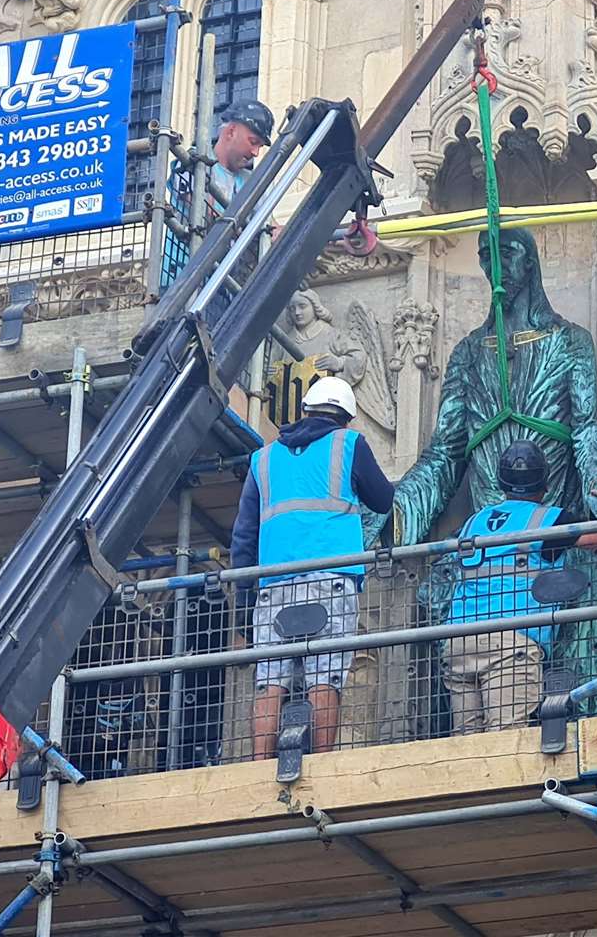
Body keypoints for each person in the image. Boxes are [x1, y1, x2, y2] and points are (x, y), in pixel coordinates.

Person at [230, 376, 394, 759]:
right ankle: (321, 761)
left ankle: (259, 765)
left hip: (271, 585)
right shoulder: (348, 443)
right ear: (346, 417)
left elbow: (243, 538)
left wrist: (243, 604)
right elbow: (383, 499)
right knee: (326, 677)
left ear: (305, 410)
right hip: (332, 578)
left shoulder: (264, 458)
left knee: (270, 681)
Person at [442, 441, 597, 733]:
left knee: (466, 747)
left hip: (458, 643)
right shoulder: (547, 520)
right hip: (510, 644)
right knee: (508, 740)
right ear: (545, 481)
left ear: (501, 481)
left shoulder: (473, 522)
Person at [163, 98, 276, 285]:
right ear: (231, 132)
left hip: (223, 284)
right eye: (253, 142)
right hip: (183, 276)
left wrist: (276, 231)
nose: (255, 153)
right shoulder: (195, 160)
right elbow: (205, 209)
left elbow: (268, 225)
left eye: (259, 146)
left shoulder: (251, 182)